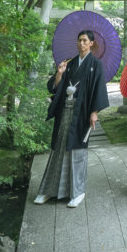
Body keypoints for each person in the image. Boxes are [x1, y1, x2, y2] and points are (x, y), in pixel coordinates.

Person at [34, 30, 109, 207]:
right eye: (79, 40)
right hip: (65, 111)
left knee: (77, 150)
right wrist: (60, 74)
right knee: (59, 147)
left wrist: (94, 112)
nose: (81, 43)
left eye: (84, 40)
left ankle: (77, 192)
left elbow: (98, 89)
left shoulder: (95, 64)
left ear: (91, 43)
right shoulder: (70, 63)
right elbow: (56, 88)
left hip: (81, 112)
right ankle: (49, 190)